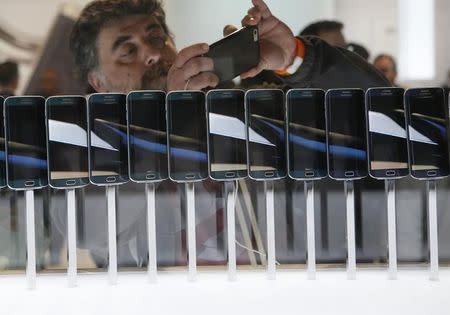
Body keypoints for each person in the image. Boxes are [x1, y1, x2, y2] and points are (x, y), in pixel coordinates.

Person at [69, 0, 389, 268]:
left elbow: (379, 110)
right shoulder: (84, 149)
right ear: (97, 82)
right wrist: (168, 117)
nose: (152, 55)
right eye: (127, 51)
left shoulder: (248, 113)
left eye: (156, 38)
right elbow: (93, 231)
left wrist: (297, 59)